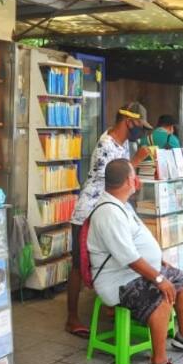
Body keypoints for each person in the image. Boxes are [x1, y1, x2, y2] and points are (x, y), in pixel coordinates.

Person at [88, 159, 183, 364]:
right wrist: (158, 278)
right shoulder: (108, 213)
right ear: (130, 180)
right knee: (162, 295)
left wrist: (159, 261)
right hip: (118, 282)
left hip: (133, 273)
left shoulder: (121, 204)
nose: (137, 180)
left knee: (181, 279)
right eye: (135, 176)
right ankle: (158, 362)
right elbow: (128, 257)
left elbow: (135, 241)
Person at [65, 102, 152, 337]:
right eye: (139, 126)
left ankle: (110, 304)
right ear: (129, 121)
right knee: (78, 266)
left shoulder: (122, 143)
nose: (141, 132)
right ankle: (72, 318)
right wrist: (137, 160)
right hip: (89, 213)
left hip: (108, 212)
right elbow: (112, 179)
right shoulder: (106, 144)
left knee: (112, 258)